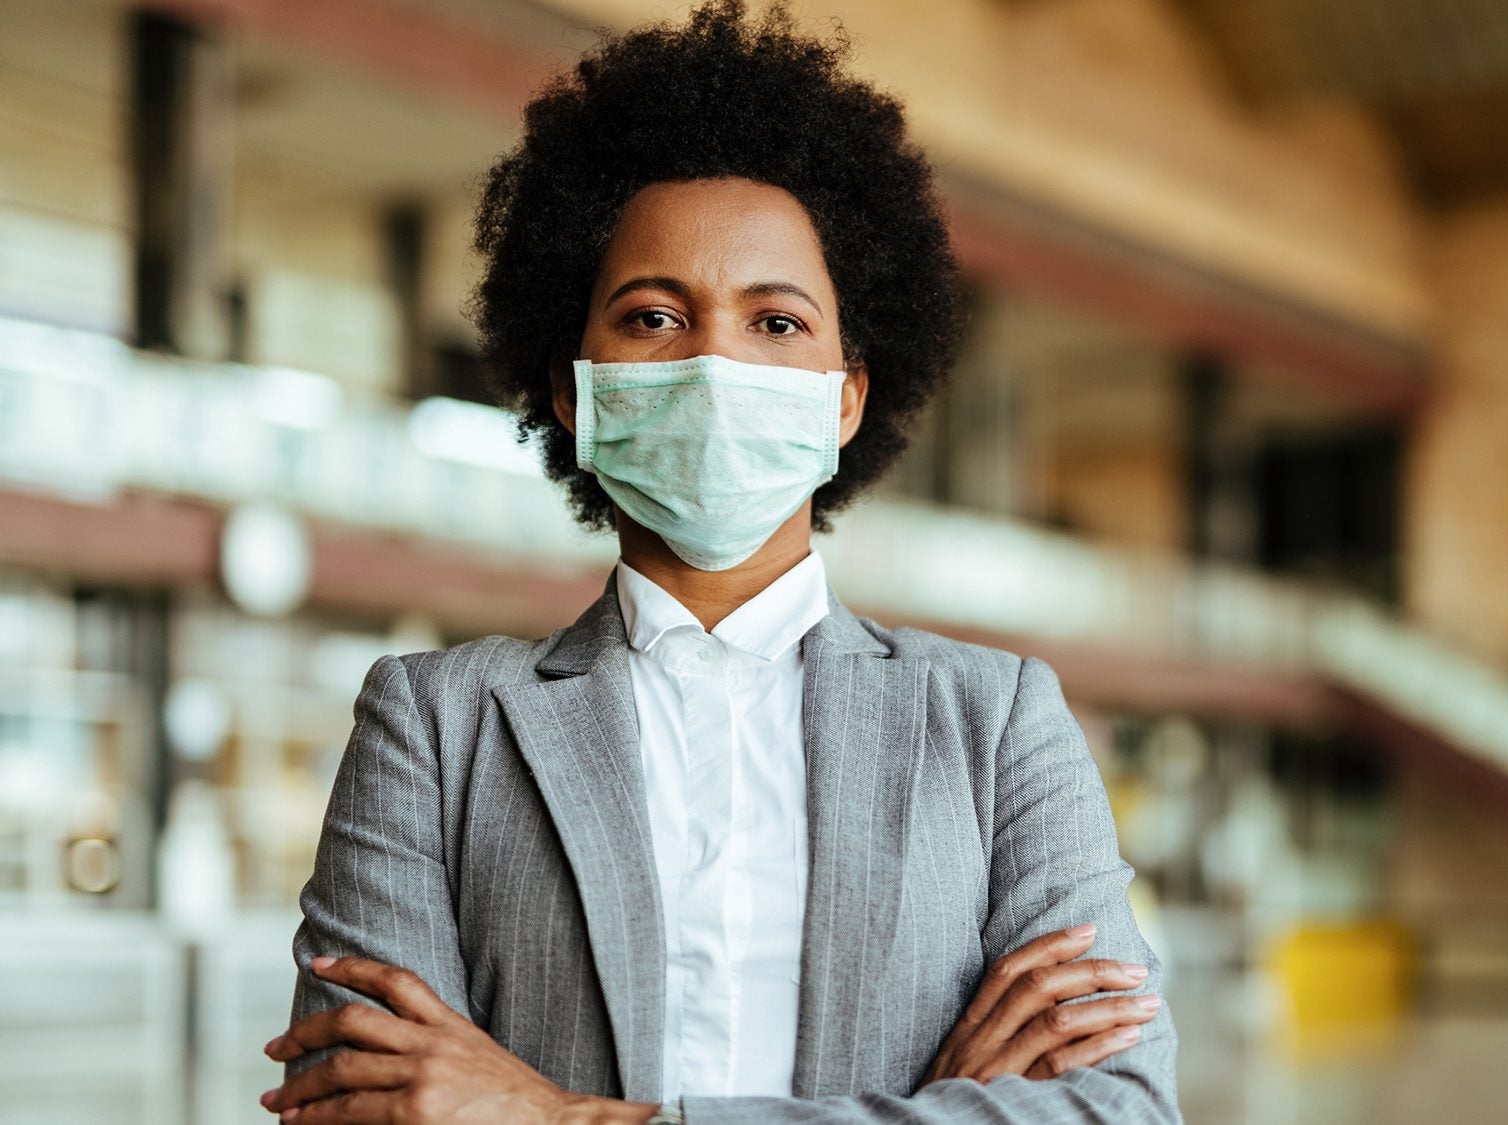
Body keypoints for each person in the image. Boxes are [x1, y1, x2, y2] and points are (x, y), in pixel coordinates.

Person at [256, 4, 1180, 1123]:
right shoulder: (438, 725)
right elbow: (354, 1106)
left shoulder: (993, 725)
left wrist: (569, 1118)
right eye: (652, 318)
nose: (711, 362)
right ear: (573, 388)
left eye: (777, 323)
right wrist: (939, 1105)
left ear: (846, 397)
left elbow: (1117, 1110)